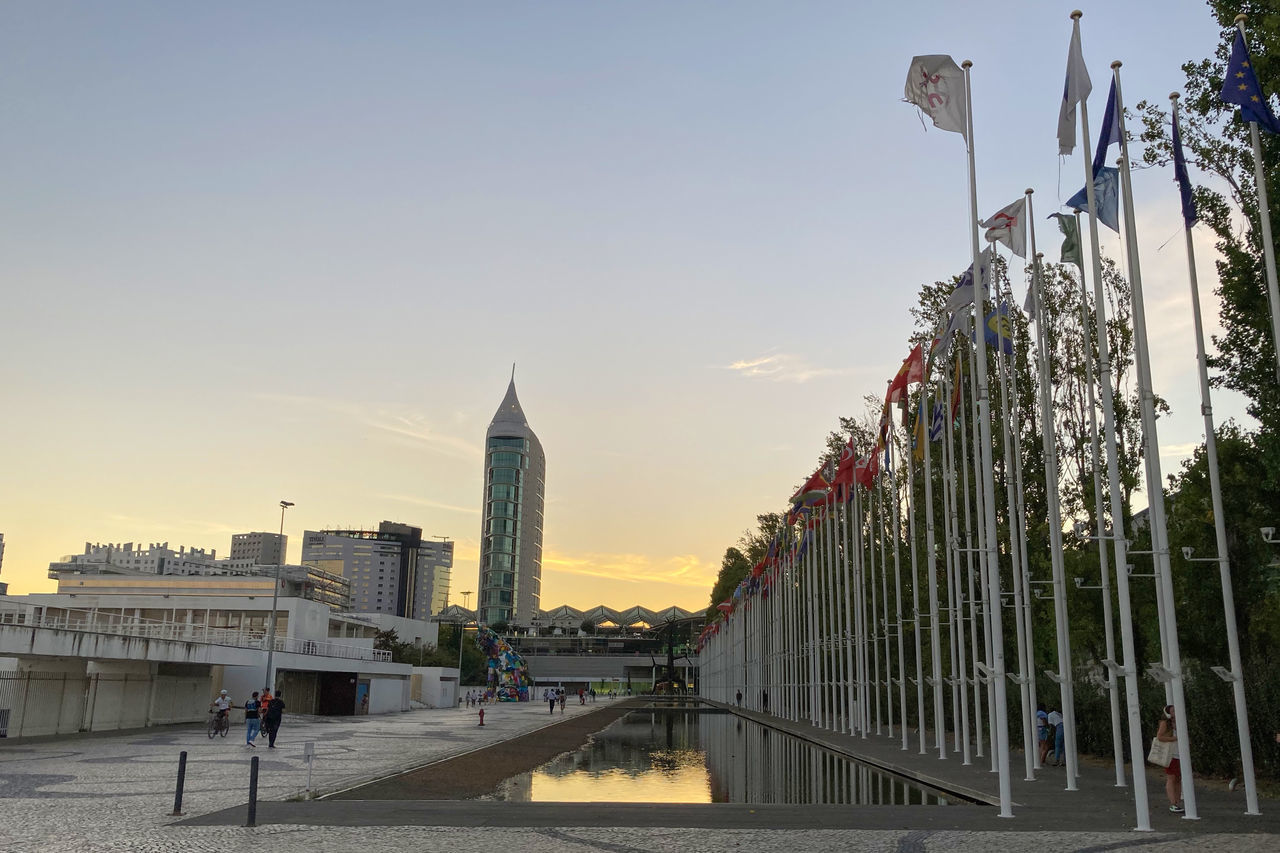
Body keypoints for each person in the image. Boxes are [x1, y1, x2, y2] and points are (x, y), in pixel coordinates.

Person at [1157, 705, 1184, 813]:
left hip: (1180, 754)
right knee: (1171, 778)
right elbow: (1160, 736)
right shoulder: (1165, 723)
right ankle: (1173, 803)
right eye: (1173, 711)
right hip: (1171, 754)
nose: (1175, 712)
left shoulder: (1180, 722)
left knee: (1178, 778)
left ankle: (1177, 802)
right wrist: (1174, 738)